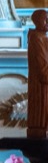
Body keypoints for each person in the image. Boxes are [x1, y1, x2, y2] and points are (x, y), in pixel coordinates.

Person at [28, 9, 48, 138]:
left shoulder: (42, 38)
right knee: (40, 119)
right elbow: (43, 70)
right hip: (41, 89)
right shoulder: (36, 38)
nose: (47, 23)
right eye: (45, 20)